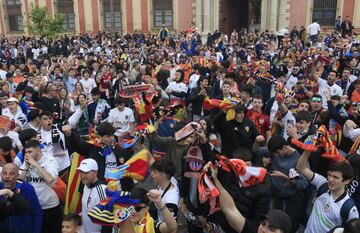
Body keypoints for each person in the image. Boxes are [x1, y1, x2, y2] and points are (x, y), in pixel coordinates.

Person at [205, 162, 292, 233]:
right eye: (263, 224)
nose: (263, 230)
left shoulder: (263, 192)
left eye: (271, 229)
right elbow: (229, 209)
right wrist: (214, 179)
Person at [296, 149, 359, 233]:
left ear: (347, 181)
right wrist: (308, 149)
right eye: (329, 175)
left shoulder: (349, 208)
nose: (330, 179)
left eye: (335, 177)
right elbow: (301, 168)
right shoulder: (322, 184)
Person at [19, 140, 61, 233]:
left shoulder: (49, 160)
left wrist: (35, 164)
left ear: (38, 150)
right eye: (26, 152)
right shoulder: (26, 162)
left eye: (30, 152)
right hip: (33, 206)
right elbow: (18, 182)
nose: (27, 154)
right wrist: (26, 167)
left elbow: (50, 179)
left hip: (49, 206)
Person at [0, 163, 42, 233]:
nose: (7, 176)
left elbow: (37, 212)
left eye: (11, 174)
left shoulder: (27, 188)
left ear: (18, 175)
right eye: (4, 173)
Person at [77, 158, 110, 233]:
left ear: (95, 173)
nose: (82, 176)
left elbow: (106, 219)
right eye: (81, 172)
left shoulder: (102, 190)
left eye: (86, 172)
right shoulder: (86, 186)